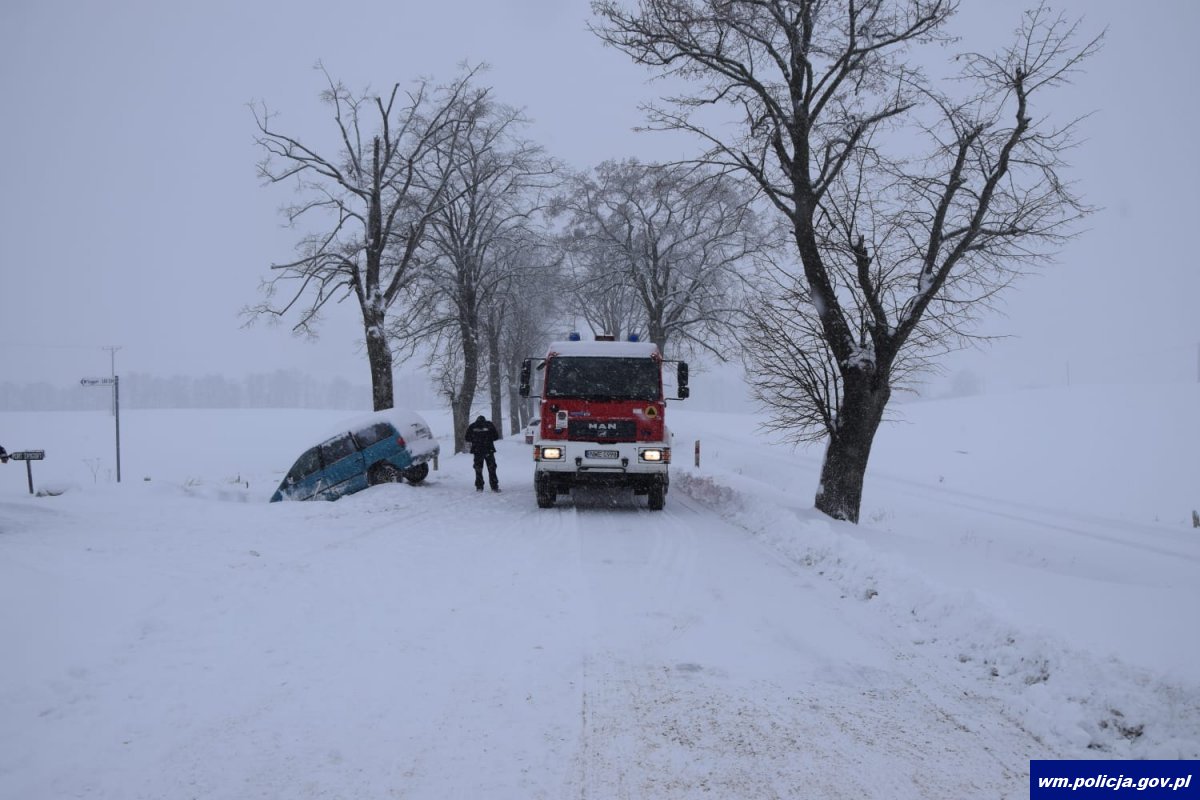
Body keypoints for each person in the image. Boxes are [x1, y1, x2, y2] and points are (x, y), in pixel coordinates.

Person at [464, 415, 501, 492]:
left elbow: (467, 438)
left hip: (477, 451)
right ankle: (494, 486)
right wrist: (488, 438)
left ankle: (479, 486)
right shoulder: (489, 425)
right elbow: (496, 437)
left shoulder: (472, 426)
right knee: (492, 469)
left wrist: (475, 439)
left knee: (478, 469)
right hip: (489, 450)